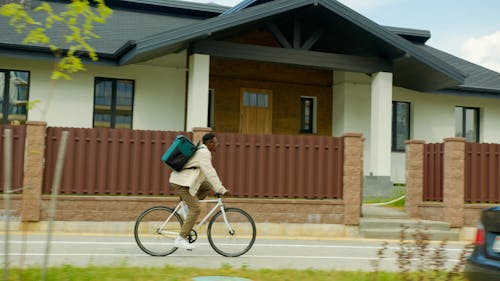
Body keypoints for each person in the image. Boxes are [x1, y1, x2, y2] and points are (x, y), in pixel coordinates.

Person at [169, 132, 227, 250]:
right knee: (196, 209)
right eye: (215, 142)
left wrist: (215, 187)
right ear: (209, 143)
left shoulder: (202, 150)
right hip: (181, 182)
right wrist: (221, 189)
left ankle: (185, 208)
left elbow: (204, 175)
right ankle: (180, 239)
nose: (217, 145)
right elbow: (210, 172)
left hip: (188, 180)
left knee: (207, 186)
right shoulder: (204, 153)